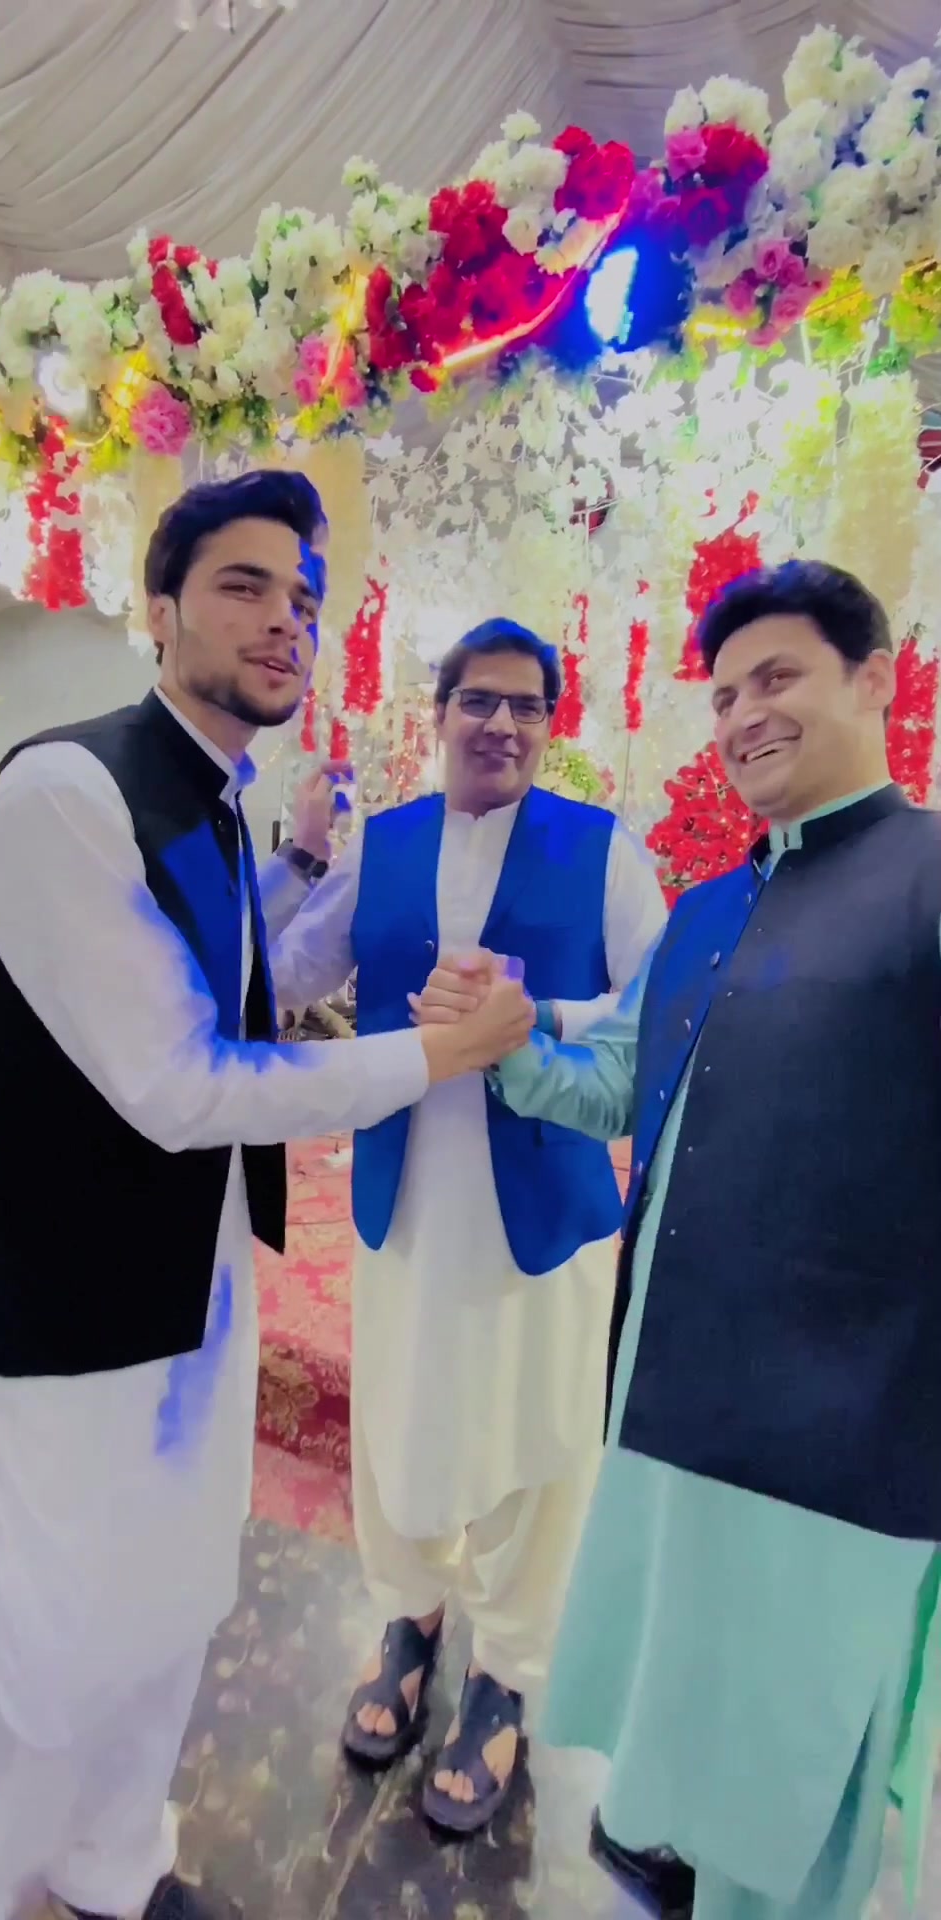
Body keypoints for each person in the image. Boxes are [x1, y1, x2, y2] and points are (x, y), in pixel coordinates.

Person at [0, 472, 533, 1920]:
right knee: (37, 1646)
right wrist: (433, 1056)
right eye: (245, 585)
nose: (287, 619)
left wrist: (302, 870)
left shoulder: (219, 805)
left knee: (159, 1612)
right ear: (159, 608)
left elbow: (239, 985)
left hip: (182, 1288)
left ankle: (113, 1868)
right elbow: (182, 1083)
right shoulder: (67, 792)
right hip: (42, 1313)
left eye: (305, 596)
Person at [434, 562, 941, 1918]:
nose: (742, 715)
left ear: (874, 680)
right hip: (674, 1399)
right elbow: (615, 1079)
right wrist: (506, 1046)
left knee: (790, 1773)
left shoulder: (928, 879)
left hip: (846, 1434)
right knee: (680, 1697)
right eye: (723, 696)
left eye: (777, 678)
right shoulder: (710, 909)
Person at [269, 616, 666, 1834]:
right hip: (405, 1202)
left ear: (550, 723)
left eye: (525, 705)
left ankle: (505, 1675)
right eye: (478, 700)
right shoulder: (384, 846)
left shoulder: (602, 851)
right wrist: (295, 856)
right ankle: (409, 1621)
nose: (501, 723)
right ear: (438, 714)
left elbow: (658, 1011)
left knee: (539, 1441)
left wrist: (534, 1015)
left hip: (544, 1208)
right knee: (401, 1421)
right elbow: (288, 976)